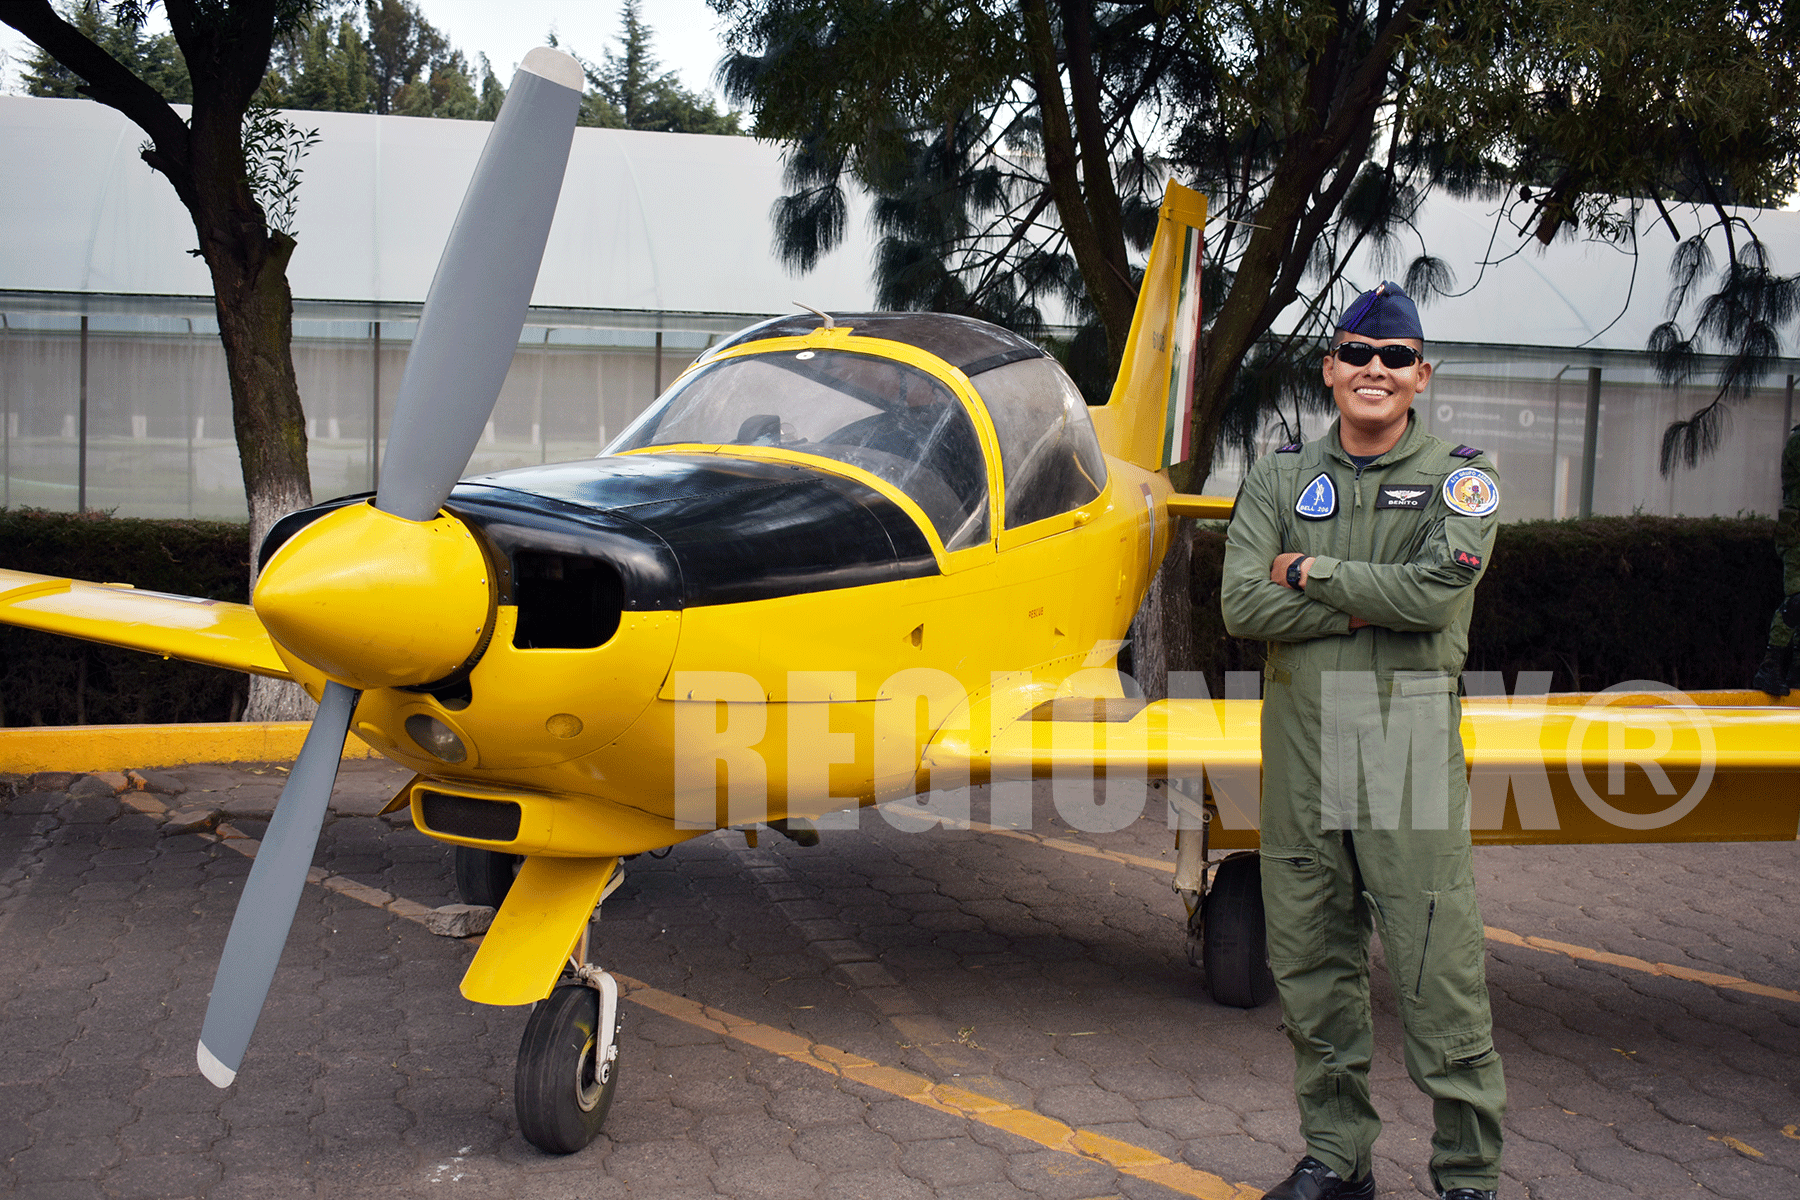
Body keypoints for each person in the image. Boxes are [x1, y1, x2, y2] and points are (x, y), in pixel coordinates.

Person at [1220, 282, 1506, 1200]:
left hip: (1404, 749)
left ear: (1421, 375)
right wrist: (1363, 605)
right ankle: (1337, 1158)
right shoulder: (1275, 478)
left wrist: (1311, 572)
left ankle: (1466, 1174)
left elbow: (1434, 595)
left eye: (1394, 358)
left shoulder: (1464, 474)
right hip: (1301, 748)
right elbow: (1239, 603)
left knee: (1435, 965)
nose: (1373, 371)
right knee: (1309, 960)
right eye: (1356, 353)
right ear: (1330, 368)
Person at [1750, 423, 1800, 695]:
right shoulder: (1798, 441)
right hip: (1797, 534)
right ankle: (1769, 667)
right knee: (1797, 600)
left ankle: (1796, 673)